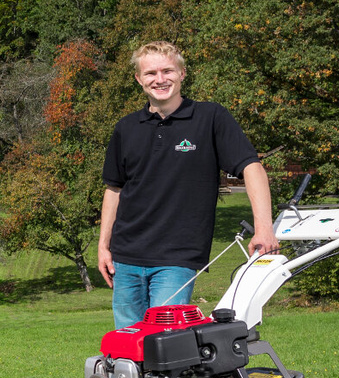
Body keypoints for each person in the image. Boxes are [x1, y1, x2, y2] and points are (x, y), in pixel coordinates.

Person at [98, 41, 280, 329]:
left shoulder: (210, 118)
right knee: (126, 344)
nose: (160, 79)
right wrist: (103, 246)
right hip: (126, 257)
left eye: (167, 70)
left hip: (177, 257)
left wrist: (264, 228)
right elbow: (114, 189)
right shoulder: (126, 128)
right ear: (138, 79)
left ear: (182, 73)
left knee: (165, 341)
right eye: (150, 73)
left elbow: (252, 168)